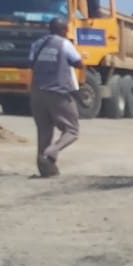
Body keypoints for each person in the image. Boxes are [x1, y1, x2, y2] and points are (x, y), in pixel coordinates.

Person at [27, 17, 83, 178]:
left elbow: (30, 63)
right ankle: (51, 152)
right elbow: (78, 63)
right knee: (72, 130)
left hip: (37, 92)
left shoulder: (37, 44)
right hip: (58, 92)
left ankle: (45, 168)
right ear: (64, 30)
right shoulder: (64, 44)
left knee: (44, 130)